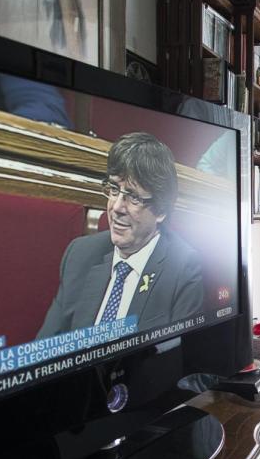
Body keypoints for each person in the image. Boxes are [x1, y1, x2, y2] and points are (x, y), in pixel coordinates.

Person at [37, 132, 204, 339]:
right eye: (114, 189)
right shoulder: (80, 254)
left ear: (160, 210)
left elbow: (181, 362)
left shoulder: (184, 269)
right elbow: (48, 348)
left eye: (133, 197)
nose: (116, 207)